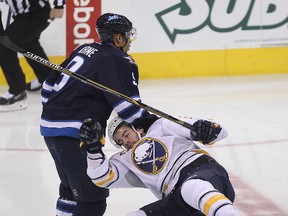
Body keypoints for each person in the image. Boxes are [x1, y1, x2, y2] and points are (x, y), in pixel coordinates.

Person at [40, 13, 153, 216]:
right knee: (92, 200)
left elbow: (48, 86)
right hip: (78, 134)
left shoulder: (84, 49)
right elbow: (128, 108)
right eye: (128, 36)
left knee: (70, 190)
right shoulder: (120, 59)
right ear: (119, 38)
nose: (129, 41)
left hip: (49, 128)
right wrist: (153, 123)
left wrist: (57, 113)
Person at [79, 115, 240, 216]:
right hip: (179, 202)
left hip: (206, 174)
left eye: (126, 134)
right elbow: (101, 178)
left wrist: (206, 129)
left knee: (191, 187)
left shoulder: (161, 126)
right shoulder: (124, 159)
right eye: (121, 142)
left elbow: (221, 131)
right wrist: (93, 150)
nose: (126, 142)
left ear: (138, 128)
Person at [0, 0, 65, 112]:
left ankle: (18, 93)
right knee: (28, 43)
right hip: (23, 16)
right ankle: (47, 79)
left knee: (4, 46)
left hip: (36, 13)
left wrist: (59, 5)